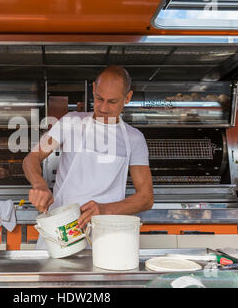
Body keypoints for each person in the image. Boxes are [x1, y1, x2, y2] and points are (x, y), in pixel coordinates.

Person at [22, 65, 154, 249]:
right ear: (93, 89)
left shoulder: (134, 138)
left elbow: (146, 198)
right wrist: (39, 184)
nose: (103, 107)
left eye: (112, 101)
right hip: (60, 229)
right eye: (99, 98)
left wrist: (104, 209)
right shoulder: (70, 122)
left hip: (104, 234)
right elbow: (32, 158)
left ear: (128, 98)